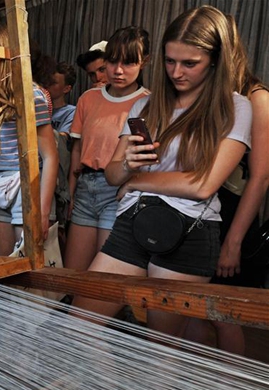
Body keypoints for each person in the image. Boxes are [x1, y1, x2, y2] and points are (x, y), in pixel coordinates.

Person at [72, 6, 252, 339]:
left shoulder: (235, 107)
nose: (177, 72)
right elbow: (113, 176)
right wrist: (128, 164)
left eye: (189, 63)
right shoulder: (146, 105)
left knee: (160, 348)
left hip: (189, 231)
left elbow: (203, 184)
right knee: (79, 325)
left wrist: (138, 179)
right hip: (134, 222)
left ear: (216, 59)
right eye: (170, 61)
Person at [182, 15, 269, 355]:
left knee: (223, 314)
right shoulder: (205, 93)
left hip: (234, 216)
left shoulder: (257, 97)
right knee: (187, 307)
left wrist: (233, 242)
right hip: (197, 212)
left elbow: (260, 177)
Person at [65, 27, 151, 272]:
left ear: (144, 62)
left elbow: (146, 158)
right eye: (112, 61)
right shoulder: (88, 98)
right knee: (74, 273)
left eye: (129, 62)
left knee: (106, 275)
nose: (118, 70)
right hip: (85, 186)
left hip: (119, 190)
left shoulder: (148, 103)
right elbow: (77, 147)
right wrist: (70, 193)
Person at [0, 21, 58, 256]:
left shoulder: (31, 94)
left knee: (32, 269)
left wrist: (41, 211)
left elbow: (50, 157)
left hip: (28, 186)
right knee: (5, 266)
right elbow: (6, 142)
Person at [49, 62, 77, 136]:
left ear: (66, 89)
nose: (48, 84)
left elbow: (62, 138)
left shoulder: (71, 112)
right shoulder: (39, 107)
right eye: (48, 80)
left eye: (53, 83)